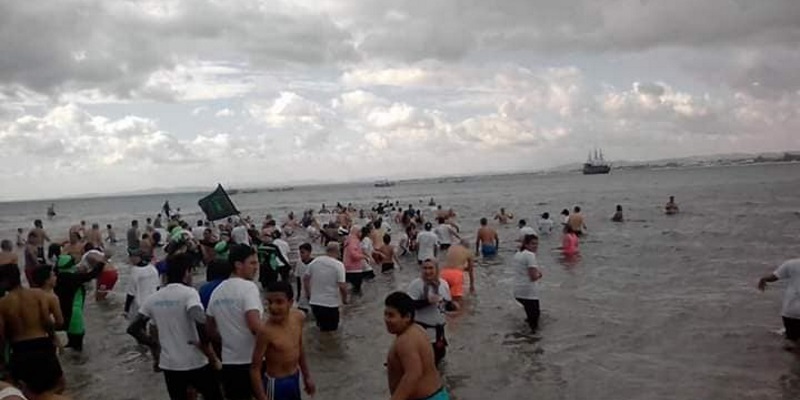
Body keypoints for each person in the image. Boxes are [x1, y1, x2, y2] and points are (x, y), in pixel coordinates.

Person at [127, 253, 223, 400]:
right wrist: (205, 345)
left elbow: (133, 329)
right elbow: (199, 319)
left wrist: (154, 344)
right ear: (187, 272)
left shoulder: (153, 298)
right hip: (195, 361)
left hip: (170, 365)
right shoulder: (189, 293)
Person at [207, 244, 263, 400]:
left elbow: (210, 329)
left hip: (230, 363)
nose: (256, 267)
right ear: (238, 265)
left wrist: (228, 339)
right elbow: (254, 326)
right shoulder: (248, 288)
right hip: (253, 362)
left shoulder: (217, 292)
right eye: (252, 263)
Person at [0, 264, 64, 394]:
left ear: (6, 280)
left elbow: (1, 336)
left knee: (27, 390)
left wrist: (2, 362)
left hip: (20, 349)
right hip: (42, 344)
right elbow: (47, 321)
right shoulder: (38, 294)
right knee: (57, 385)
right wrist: (54, 339)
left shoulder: (3, 303)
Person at [250, 281, 315, 400]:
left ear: (290, 302)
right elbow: (255, 369)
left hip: (294, 378)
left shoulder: (298, 317)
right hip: (275, 384)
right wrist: (262, 397)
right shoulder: (266, 332)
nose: (273, 307)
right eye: (269, 302)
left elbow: (299, 347)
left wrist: (307, 376)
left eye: (279, 302)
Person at [384, 291, 450, 400]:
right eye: (385, 314)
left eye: (391, 315)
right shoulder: (417, 329)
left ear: (407, 317)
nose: (386, 319)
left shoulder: (405, 340)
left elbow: (413, 375)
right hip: (437, 394)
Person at [406, 259, 456, 365]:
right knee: (424, 365)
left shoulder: (443, 284)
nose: (427, 271)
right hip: (422, 333)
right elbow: (408, 306)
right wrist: (427, 301)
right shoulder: (416, 285)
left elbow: (444, 305)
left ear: (437, 269)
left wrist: (452, 306)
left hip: (439, 333)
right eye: (425, 268)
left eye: (430, 268)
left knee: (440, 361)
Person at [53, 251, 104, 351]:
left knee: (69, 344)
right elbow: (92, 274)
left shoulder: (56, 279)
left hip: (62, 314)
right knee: (78, 349)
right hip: (75, 314)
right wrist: (102, 262)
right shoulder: (74, 278)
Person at [304, 243, 348, 332]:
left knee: (321, 329)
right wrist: (344, 299)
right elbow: (342, 286)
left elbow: (305, 279)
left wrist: (308, 294)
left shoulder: (315, 262)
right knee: (332, 332)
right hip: (330, 304)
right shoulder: (339, 265)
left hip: (315, 303)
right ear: (337, 251)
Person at [758, 259, 800, 352]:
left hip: (790, 310)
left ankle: (790, 363)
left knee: (791, 339)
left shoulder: (791, 263)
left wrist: (763, 279)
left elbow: (773, 277)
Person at [513, 234, 543, 333]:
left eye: (536, 244)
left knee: (530, 316)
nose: (535, 246)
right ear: (526, 244)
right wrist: (540, 275)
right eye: (533, 244)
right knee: (534, 321)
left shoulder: (518, 254)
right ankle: (532, 341)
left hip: (518, 291)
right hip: (529, 292)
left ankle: (523, 336)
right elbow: (533, 277)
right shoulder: (530, 255)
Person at [124, 249, 161, 321]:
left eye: (131, 256)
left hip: (139, 306)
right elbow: (158, 287)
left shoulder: (135, 271)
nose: (130, 258)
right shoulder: (153, 268)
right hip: (152, 304)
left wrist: (126, 310)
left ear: (138, 258)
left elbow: (130, 293)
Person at [441, 239, 476, 304]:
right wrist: (472, 285)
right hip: (456, 275)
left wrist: (464, 268)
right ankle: (460, 314)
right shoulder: (468, 252)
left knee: (444, 298)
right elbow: (471, 271)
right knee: (457, 301)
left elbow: (452, 263)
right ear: (467, 246)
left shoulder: (451, 248)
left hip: (443, 273)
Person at [343, 228, 366, 295]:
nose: (361, 233)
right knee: (357, 291)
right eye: (360, 232)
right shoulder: (354, 241)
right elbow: (353, 255)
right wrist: (364, 257)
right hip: (355, 269)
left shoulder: (348, 240)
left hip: (348, 268)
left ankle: (352, 304)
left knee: (351, 290)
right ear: (357, 232)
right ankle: (356, 304)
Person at [294, 243, 313, 314]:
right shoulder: (299, 263)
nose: (301, 254)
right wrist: (298, 294)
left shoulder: (314, 264)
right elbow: (298, 279)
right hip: (303, 294)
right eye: (300, 252)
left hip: (312, 294)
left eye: (303, 252)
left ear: (309, 252)